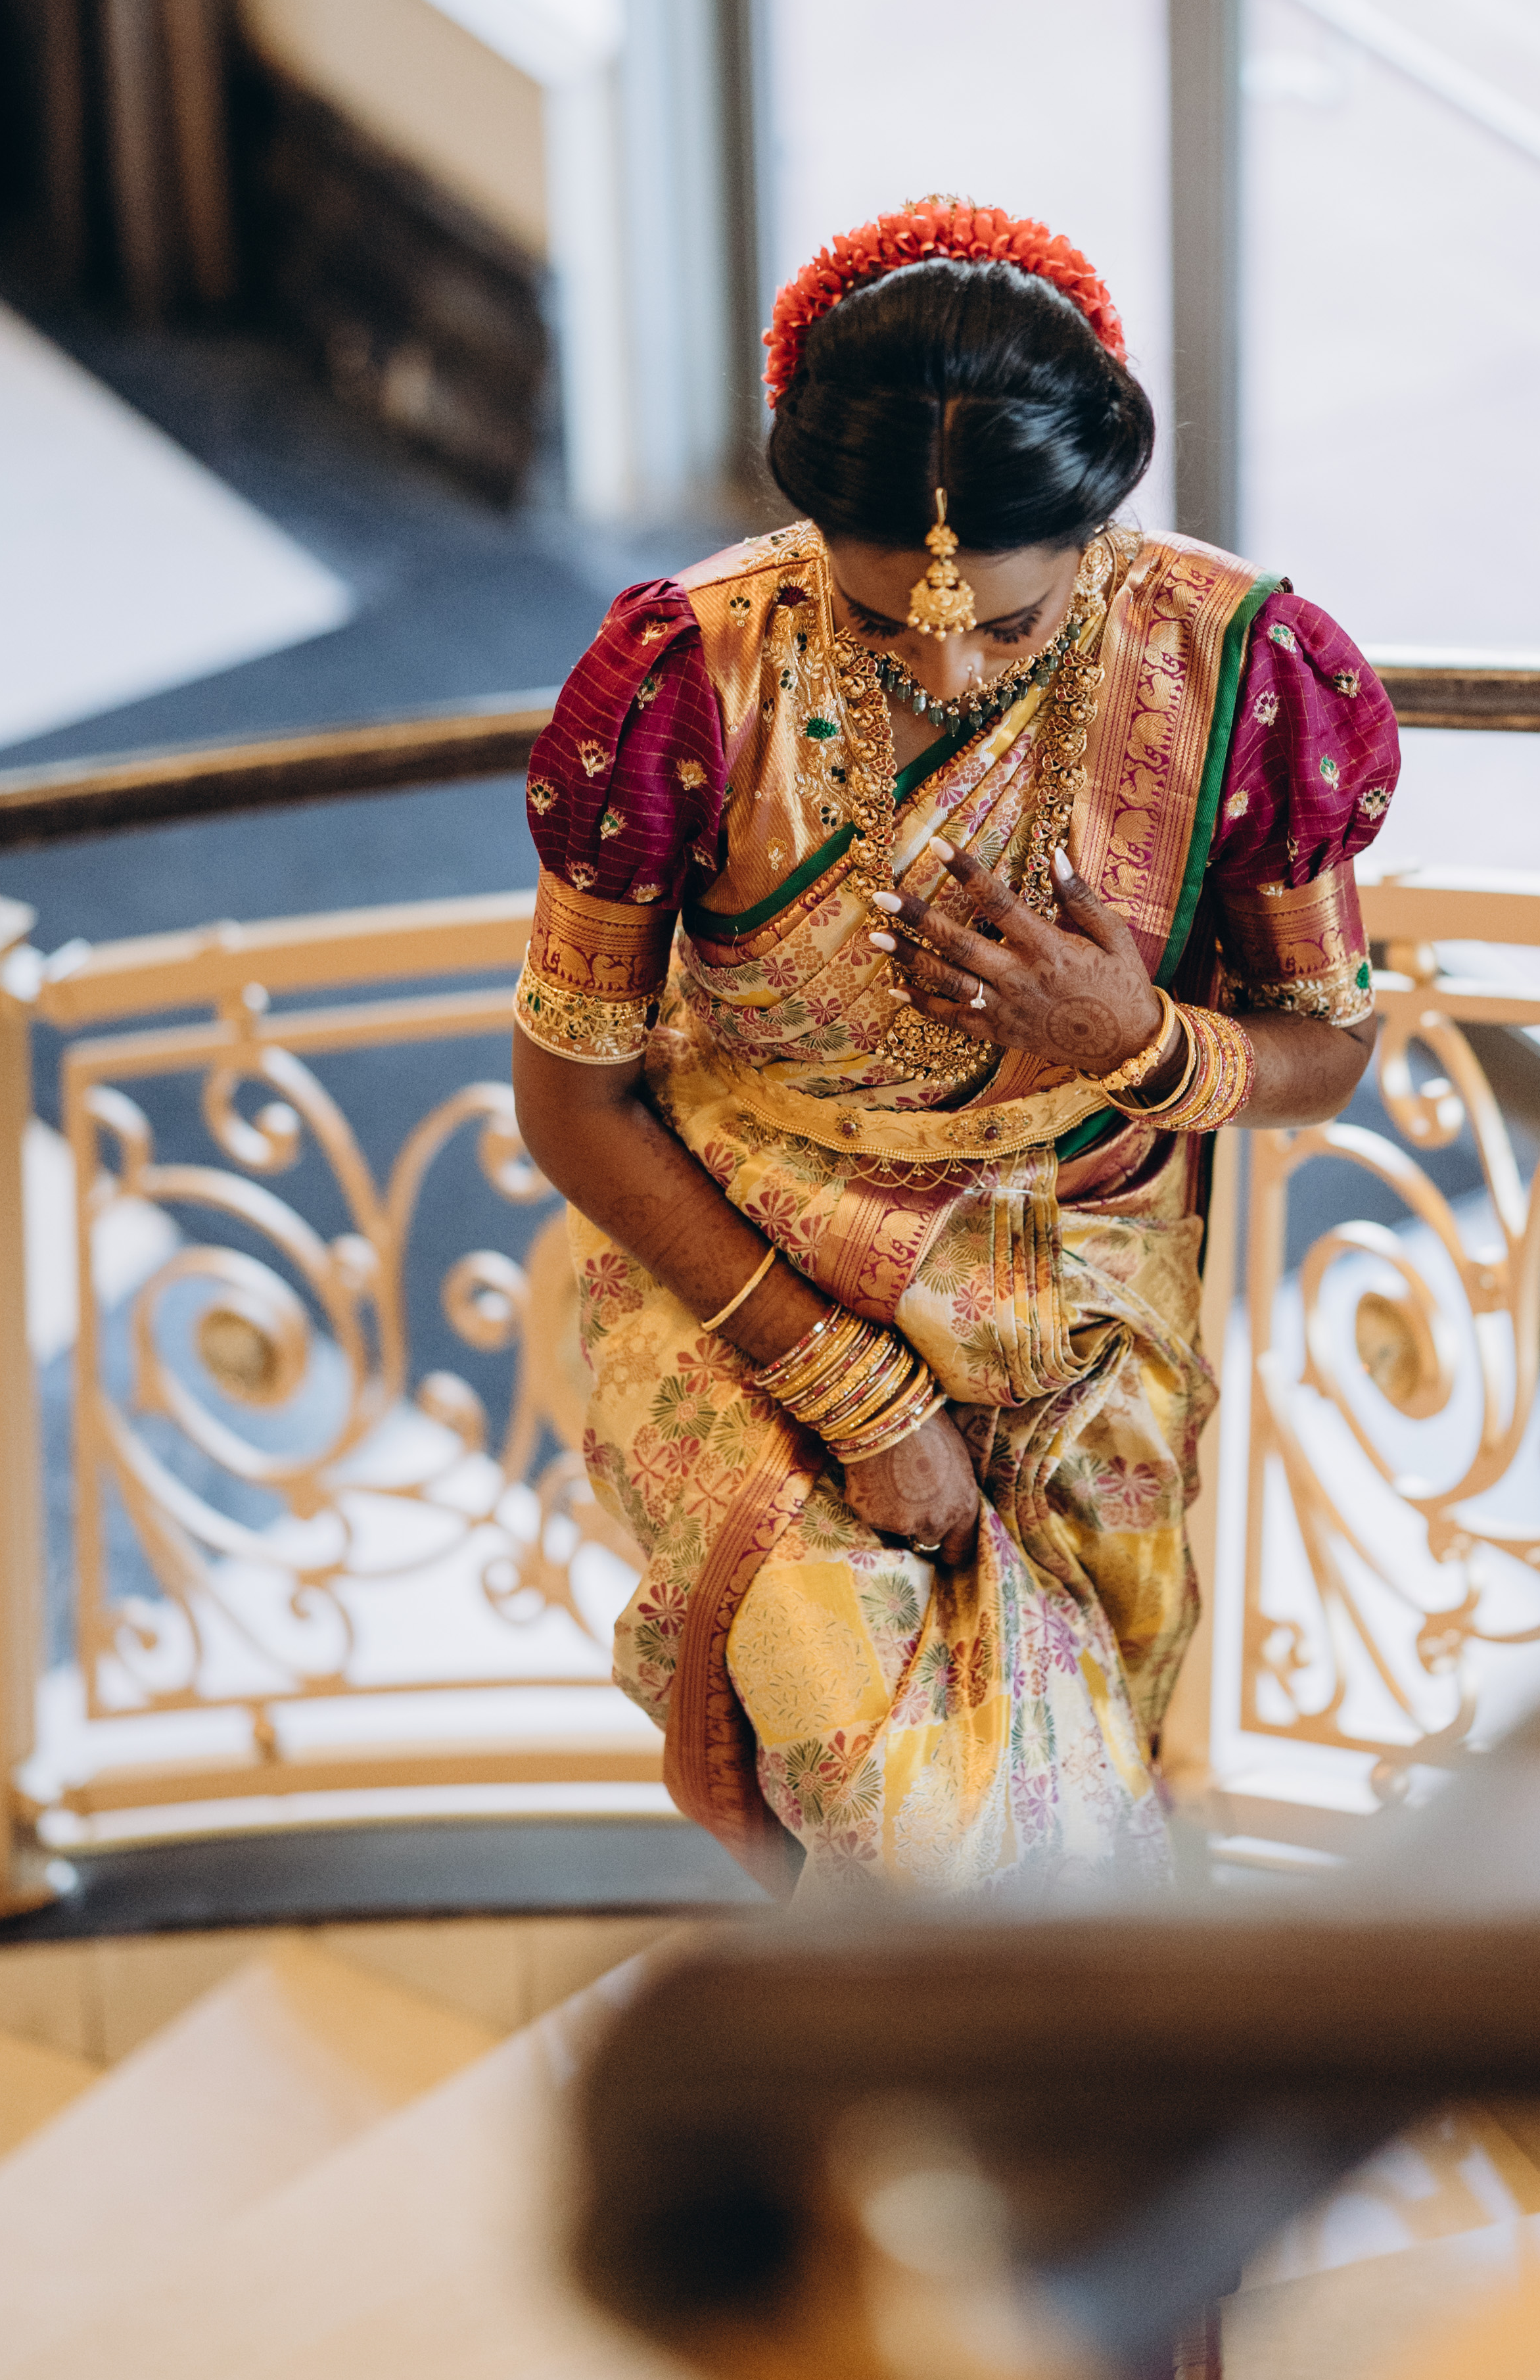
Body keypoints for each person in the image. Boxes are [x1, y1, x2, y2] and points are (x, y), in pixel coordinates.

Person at [511, 197, 1399, 1906]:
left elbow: (1332, 1047)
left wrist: (1138, 1040)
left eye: (1008, 623)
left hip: (1083, 1291)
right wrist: (853, 1390)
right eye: (883, 617)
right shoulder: (685, 680)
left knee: (1065, 1807)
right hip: (747, 1265)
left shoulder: (1234, 671)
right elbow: (570, 1099)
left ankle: (967, 2071)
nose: (942, 659)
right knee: (914, 1814)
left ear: (1097, 529)